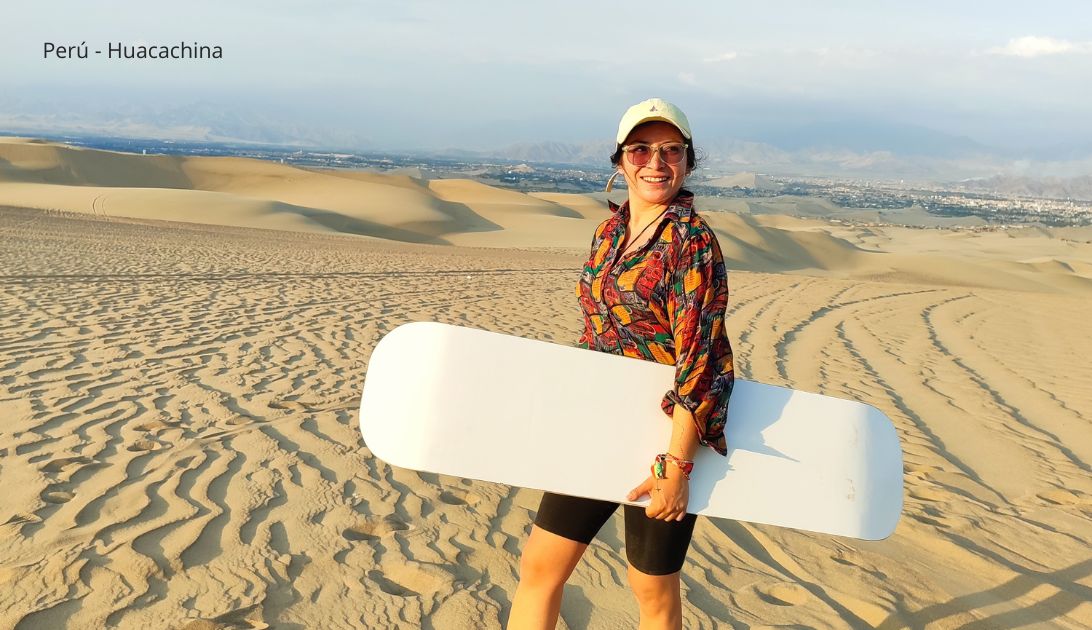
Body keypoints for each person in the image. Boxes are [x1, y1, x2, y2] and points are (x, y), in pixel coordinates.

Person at [507, 98, 734, 630]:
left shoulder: (691, 242)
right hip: (597, 423)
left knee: (650, 589)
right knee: (541, 565)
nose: (655, 162)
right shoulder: (609, 233)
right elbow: (596, 330)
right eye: (640, 150)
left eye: (670, 151)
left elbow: (699, 360)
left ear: (687, 161)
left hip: (665, 438)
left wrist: (677, 466)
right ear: (620, 162)